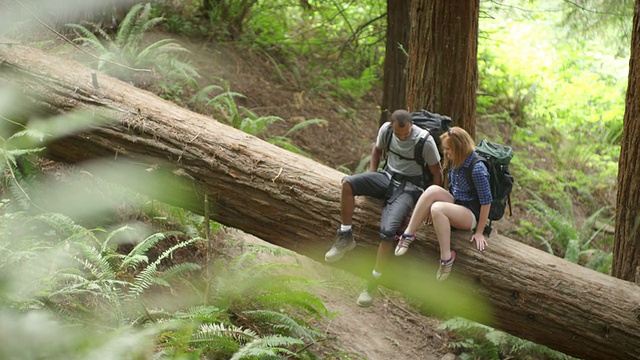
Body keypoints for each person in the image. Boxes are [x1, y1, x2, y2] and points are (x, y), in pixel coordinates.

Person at [324, 109, 443, 307]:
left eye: (406, 133)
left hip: (410, 188)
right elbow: (377, 151)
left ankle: (373, 283)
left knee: (388, 232)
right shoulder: (386, 131)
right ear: (392, 127)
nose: (403, 137)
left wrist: (427, 202)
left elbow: (437, 173)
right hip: (387, 177)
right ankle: (345, 236)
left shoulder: (425, 142)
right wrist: (372, 176)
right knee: (347, 183)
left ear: (411, 126)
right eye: (399, 134)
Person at [394, 126, 492, 281]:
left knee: (437, 208)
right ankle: (409, 234)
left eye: (448, 149)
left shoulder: (477, 169)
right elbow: (453, 189)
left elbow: (486, 201)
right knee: (433, 190)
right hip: (457, 203)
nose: (445, 152)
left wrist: (479, 232)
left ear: (459, 148)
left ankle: (446, 258)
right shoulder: (456, 160)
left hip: (470, 213)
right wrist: (429, 208)